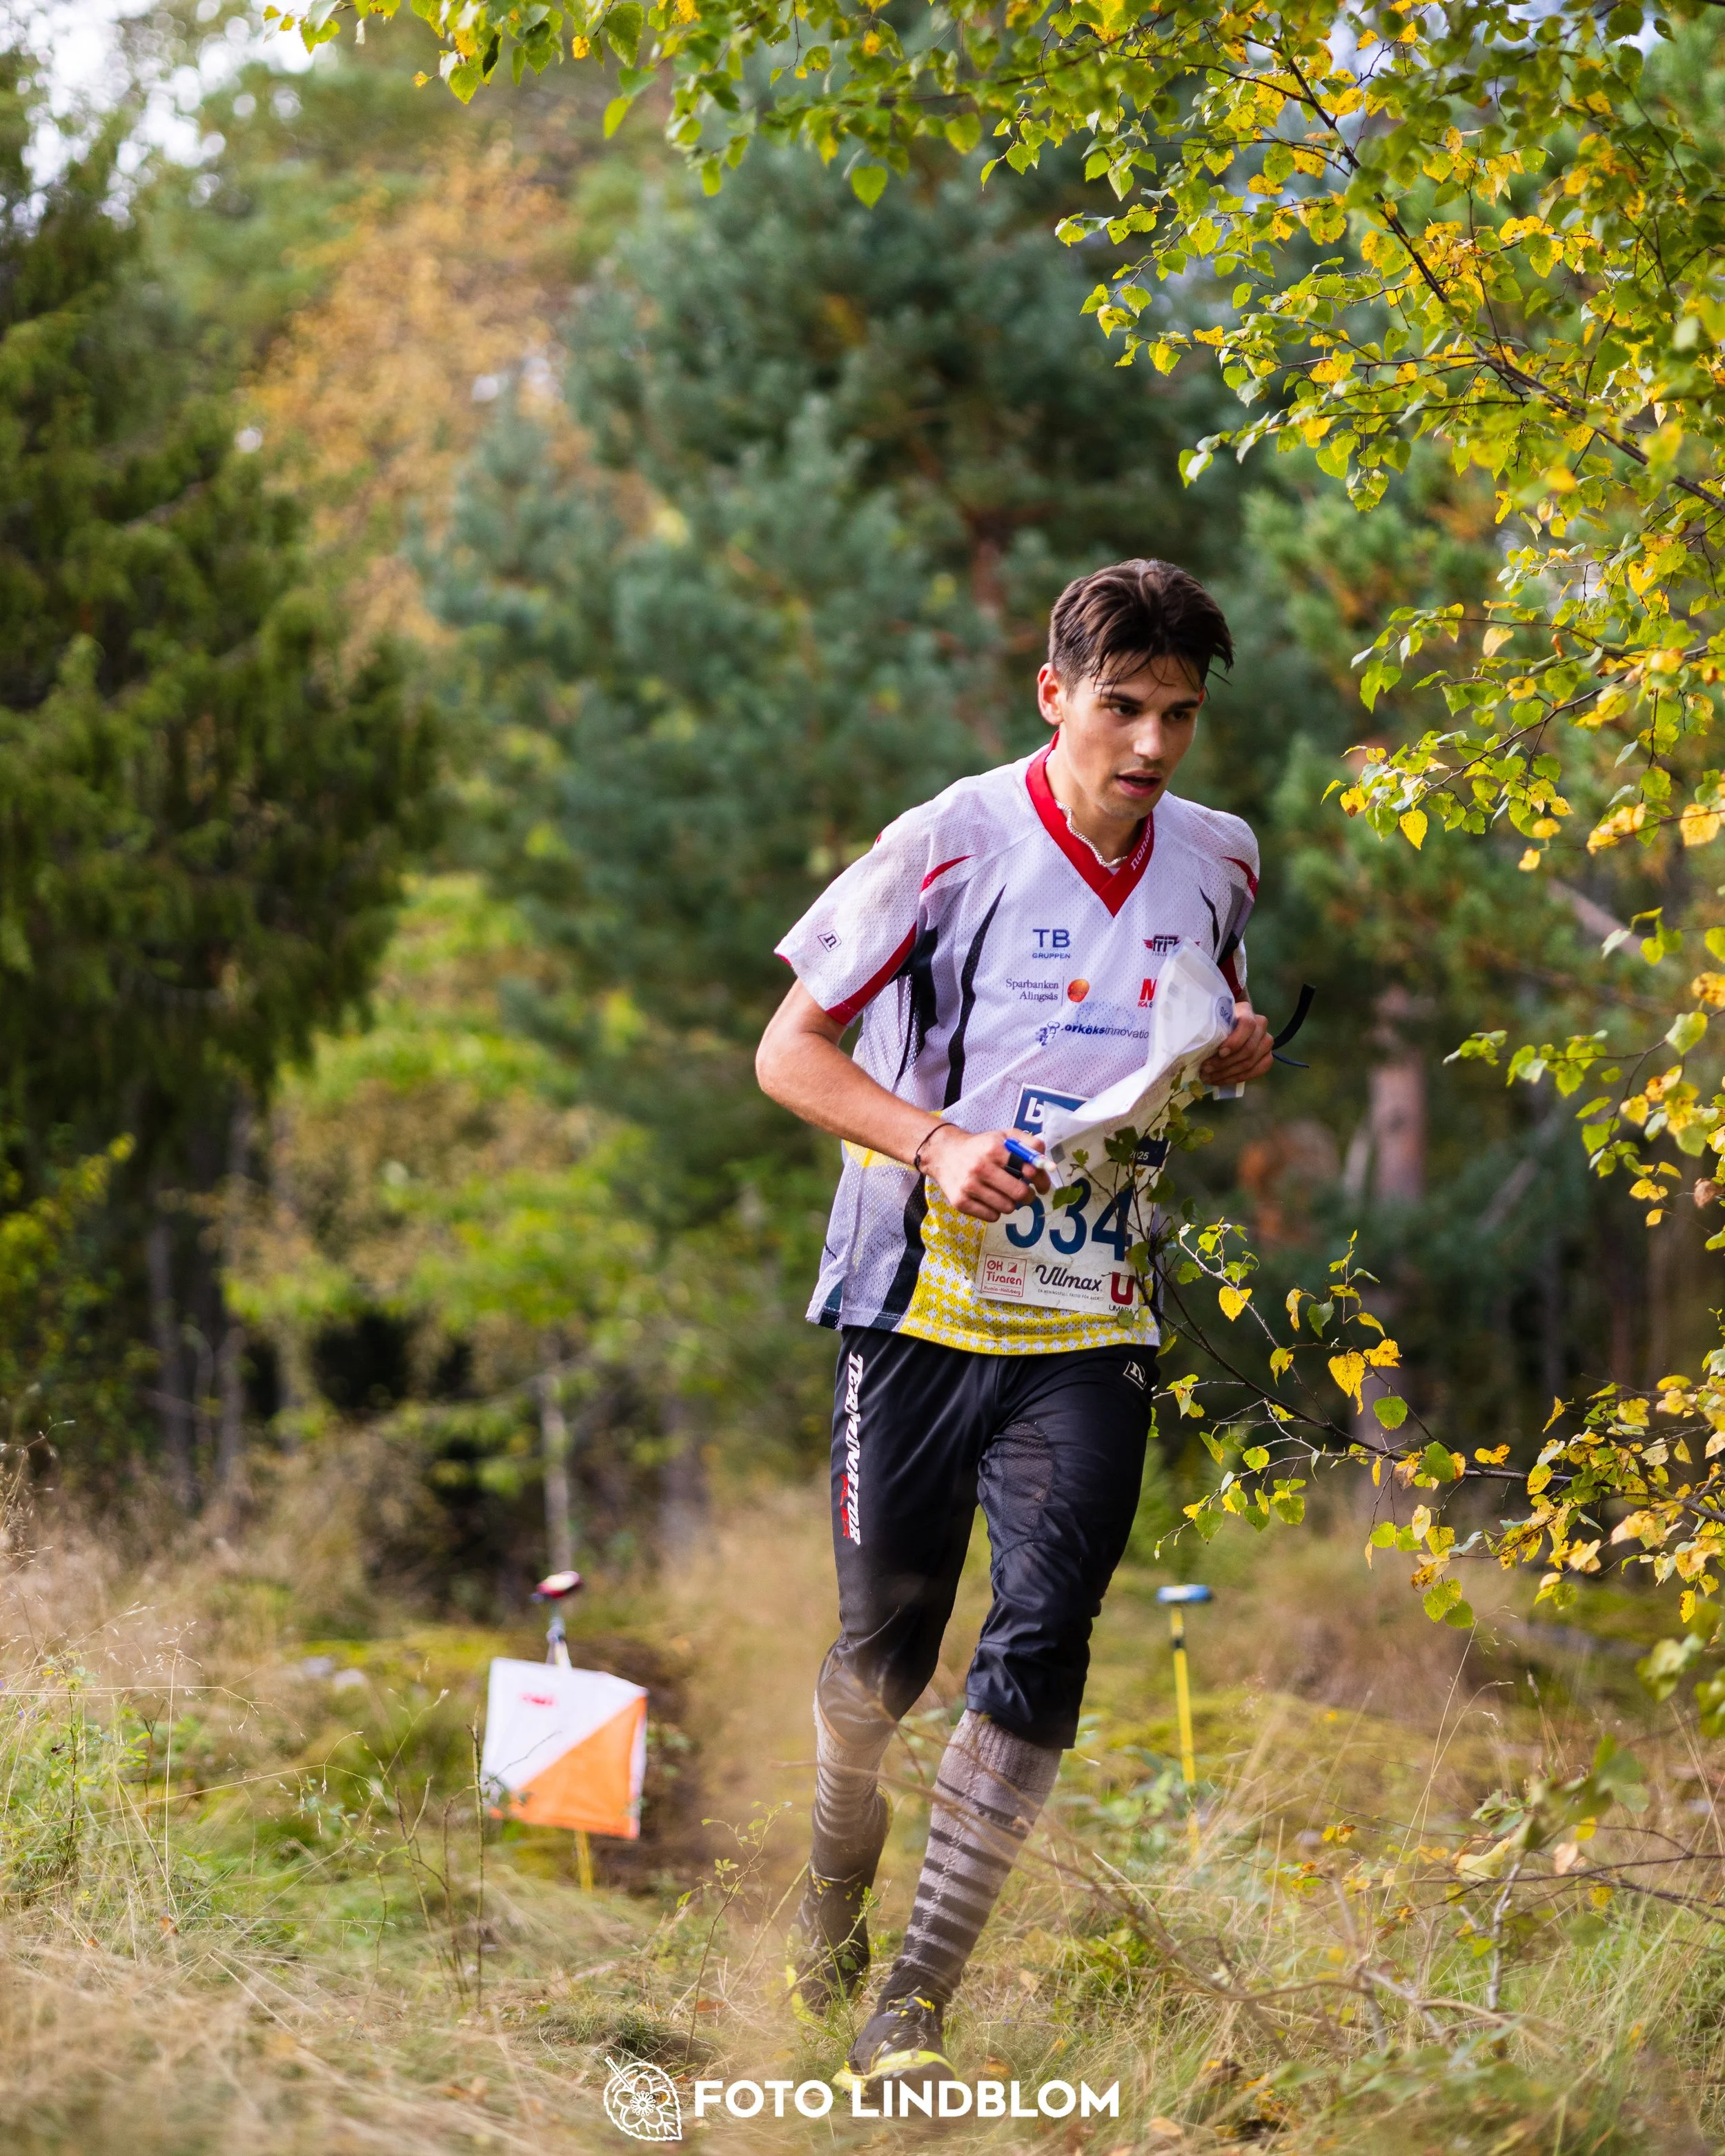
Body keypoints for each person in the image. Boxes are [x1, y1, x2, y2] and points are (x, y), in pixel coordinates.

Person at [755, 558, 1273, 2098]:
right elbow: (788, 1051)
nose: (1153, 745)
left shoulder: (1219, 858)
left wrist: (1232, 1053)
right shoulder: (949, 840)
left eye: (1179, 713)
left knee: (1043, 1627)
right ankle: (832, 1882)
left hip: (1089, 1309)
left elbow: (1191, 1027)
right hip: (913, 1299)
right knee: (878, 1660)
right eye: (1121, 707)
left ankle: (911, 1998)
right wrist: (929, 1143)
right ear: (1053, 695)